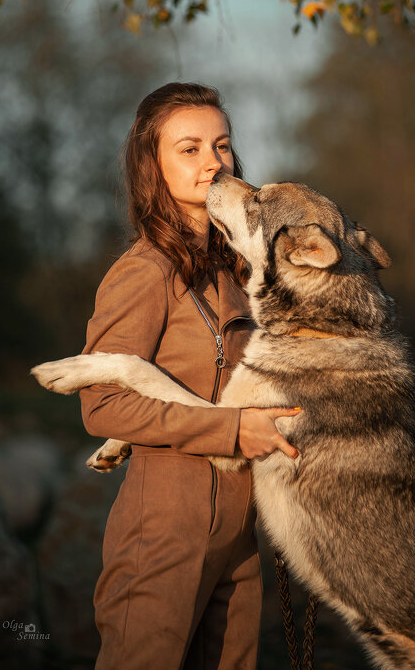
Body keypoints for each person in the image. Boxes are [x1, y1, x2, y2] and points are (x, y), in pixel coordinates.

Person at [79, 82, 301, 670]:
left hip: (242, 532)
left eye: (221, 146)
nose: (213, 164)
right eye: (190, 149)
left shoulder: (238, 274)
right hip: (164, 529)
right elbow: (100, 405)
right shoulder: (142, 271)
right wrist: (232, 433)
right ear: (153, 165)